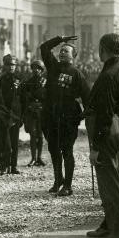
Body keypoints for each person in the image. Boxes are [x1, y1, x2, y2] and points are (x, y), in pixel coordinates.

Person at [85, 33, 119, 238]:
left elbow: (103, 114)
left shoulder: (109, 75)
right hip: (118, 127)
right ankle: (115, 234)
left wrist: (95, 147)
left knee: (111, 190)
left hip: (107, 131)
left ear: (104, 48)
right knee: (115, 186)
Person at [40, 35, 90, 196]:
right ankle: (57, 180)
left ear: (73, 56)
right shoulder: (53, 67)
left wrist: (81, 117)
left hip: (68, 119)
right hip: (51, 117)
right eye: (61, 51)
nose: (62, 53)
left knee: (67, 150)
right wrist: (60, 39)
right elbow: (44, 48)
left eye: (66, 51)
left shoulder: (77, 74)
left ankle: (68, 185)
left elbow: (88, 99)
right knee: (53, 149)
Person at [0, 54, 23, 174]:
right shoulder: (0, 81)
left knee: (14, 141)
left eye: (13, 65)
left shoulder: (20, 79)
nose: (11, 67)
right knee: (4, 142)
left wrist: (21, 114)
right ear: (5, 66)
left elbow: (24, 98)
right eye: (9, 65)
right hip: (4, 115)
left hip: (16, 114)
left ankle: (13, 166)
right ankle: (4, 164)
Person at [21, 60, 47, 167]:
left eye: (38, 68)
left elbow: (48, 97)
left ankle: (39, 158)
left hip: (42, 111)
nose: (36, 70)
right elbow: (25, 98)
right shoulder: (28, 82)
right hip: (31, 111)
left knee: (40, 135)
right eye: (34, 68)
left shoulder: (46, 82)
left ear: (42, 70)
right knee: (32, 134)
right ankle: (33, 158)